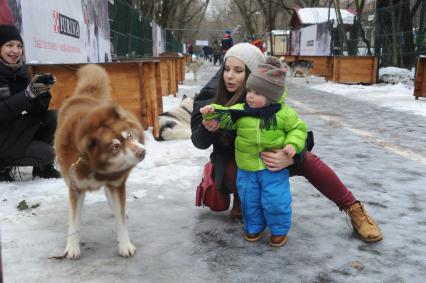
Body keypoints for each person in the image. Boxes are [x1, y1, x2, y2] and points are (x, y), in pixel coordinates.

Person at [191, 43, 383, 243]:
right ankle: (241, 199)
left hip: (270, 162)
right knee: (236, 175)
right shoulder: (212, 95)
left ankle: (354, 209)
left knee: (308, 160)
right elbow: (198, 141)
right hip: (237, 164)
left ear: (255, 74)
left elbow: (296, 130)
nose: (229, 76)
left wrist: (289, 157)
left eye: (238, 71)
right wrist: (208, 127)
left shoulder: (268, 93)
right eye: (226, 69)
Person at [200, 56, 307, 247]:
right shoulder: (242, 110)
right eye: (249, 90)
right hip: (247, 168)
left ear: (271, 96)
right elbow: (226, 116)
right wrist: (212, 111)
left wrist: (292, 144)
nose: (250, 96)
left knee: (276, 201)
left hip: (273, 170)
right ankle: (253, 227)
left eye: (257, 93)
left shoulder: (284, 114)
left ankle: (279, 230)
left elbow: (298, 129)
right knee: (250, 201)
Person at [0, 24, 60, 181]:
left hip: (15, 132)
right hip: (3, 138)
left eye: (19, 46)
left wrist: (42, 92)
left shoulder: (21, 72)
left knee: (53, 116)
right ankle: (2, 167)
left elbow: (36, 111)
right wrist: (27, 95)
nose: (15, 50)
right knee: (48, 153)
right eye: (9, 45)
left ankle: (43, 168)